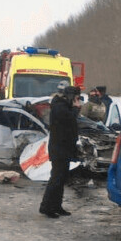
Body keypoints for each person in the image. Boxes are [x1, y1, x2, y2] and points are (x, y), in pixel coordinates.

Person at [39, 84, 81, 218]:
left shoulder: (63, 106)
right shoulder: (59, 107)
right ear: (70, 97)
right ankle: (46, 207)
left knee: (61, 179)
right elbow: (69, 119)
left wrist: (74, 108)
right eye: (76, 98)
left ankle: (56, 206)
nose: (77, 101)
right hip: (59, 149)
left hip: (64, 149)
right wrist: (75, 108)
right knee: (56, 179)